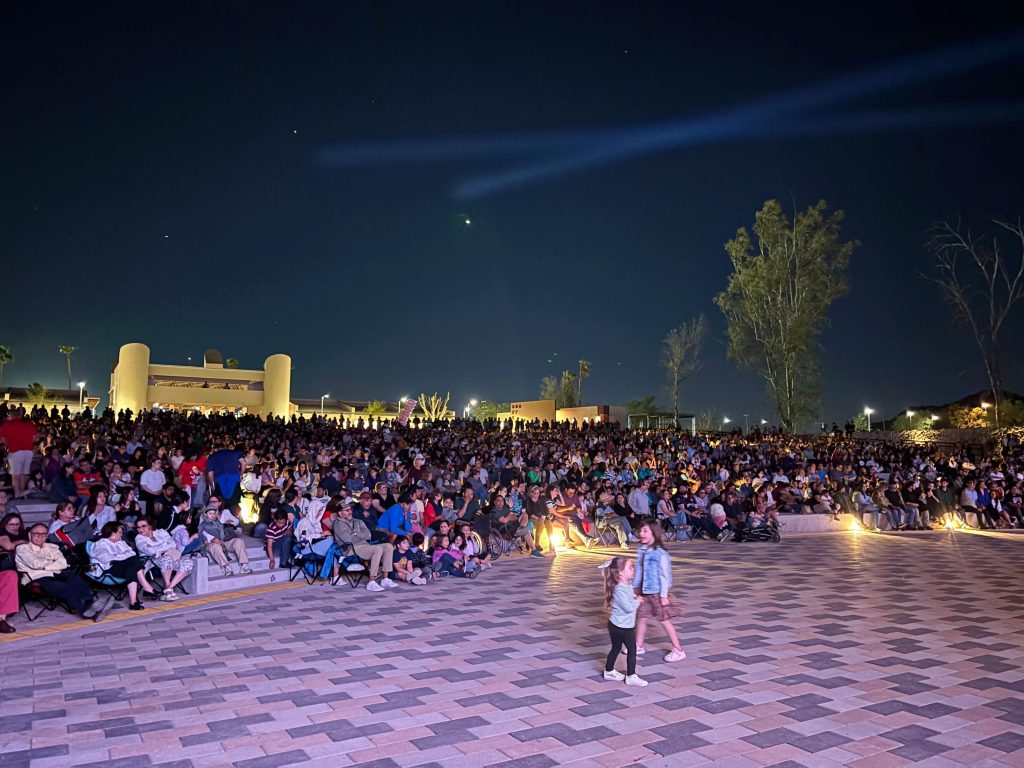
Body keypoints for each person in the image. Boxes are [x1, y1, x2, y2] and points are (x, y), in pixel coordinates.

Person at [15, 523, 99, 618]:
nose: (40, 537)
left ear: (47, 535)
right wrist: (54, 563)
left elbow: (63, 563)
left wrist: (47, 565)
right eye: (36, 533)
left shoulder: (52, 547)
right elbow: (35, 564)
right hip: (36, 577)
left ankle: (90, 603)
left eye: (43, 534)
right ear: (30, 535)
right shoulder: (22, 548)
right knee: (63, 587)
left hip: (55, 574)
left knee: (74, 578)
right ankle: (84, 611)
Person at [633, 521, 686, 662]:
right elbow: (638, 571)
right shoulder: (641, 550)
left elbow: (664, 576)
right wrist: (634, 588)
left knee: (664, 620)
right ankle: (638, 645)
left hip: (657, 592)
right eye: (640, 531)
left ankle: (678, 650)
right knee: (641, 617)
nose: (641, 534)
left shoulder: (660, 553)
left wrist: (663, 596)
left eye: (645, 531)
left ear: (654, 533)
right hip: (643, 591)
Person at [332, 498, 396, 592]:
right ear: (340, 513)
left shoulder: (357, 521)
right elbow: (348, 539)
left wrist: (355, 533)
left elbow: (368, 535)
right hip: (351, 549)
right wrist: (358, 535)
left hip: (364, 547)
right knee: (377, 549)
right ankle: (372, 582)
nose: (350, 512)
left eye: (351, 509)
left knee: (388, 546)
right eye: (347, 510)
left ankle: (385, 579)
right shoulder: (339, 524)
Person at [601, 555, 646, 686]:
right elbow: (628, 608)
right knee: (632, 650)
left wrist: (633, 597)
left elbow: (628, 599)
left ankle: (609, 671)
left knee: (616, 648)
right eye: (630, 567)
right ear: (620, 573)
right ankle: (631, 676)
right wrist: (637, 601)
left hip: (619, 625)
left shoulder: (627, 585)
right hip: (622, 627)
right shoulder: (620, 589)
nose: (633, 569)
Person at [90, 521, 157, 610]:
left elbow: (132, 553)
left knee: (131, 568)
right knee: (133, 560)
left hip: (123, 566)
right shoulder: (100, 544)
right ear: (113, 533)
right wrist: (123, 556)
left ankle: (133, 602)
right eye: (120, 532)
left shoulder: (121, 543)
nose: (121, 534)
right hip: (107, 568)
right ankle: (146, 586)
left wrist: (121, 557)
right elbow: (106, 558)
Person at [133, 517, 193, 601]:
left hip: (170, 557)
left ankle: (168, 588)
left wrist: (158, 549)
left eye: (143, 526)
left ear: (150, 525)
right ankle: (168, 593)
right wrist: (165, 546)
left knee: (188, 562)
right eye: (138, 527)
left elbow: (173, 545)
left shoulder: (161, 532)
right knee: (167, 559)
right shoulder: (139, 538)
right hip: (152, 561)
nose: (140, 529)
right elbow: (150, 551)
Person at [198, 505, 252, 576]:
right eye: (210, 513)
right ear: (205, 514)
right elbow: (201, 534)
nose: (212, 515)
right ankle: (227, 567)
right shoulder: (202, 524)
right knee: (215, 547)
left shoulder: (218, 522)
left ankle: (244, 565)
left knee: (239, 541)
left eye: (213, 513)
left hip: (222, 542)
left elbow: (222, 533)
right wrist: (212, 539)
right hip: (211, 543)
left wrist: (223, 537)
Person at [0, 408, 37, 498]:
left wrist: (9, 444)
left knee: (15, 475)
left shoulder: (7, 424)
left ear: (10, 415)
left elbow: (3, 439)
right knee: (23, 474)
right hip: (28, 452)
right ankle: (22, 492)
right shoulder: (29, 424)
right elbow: (34, 438)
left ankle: (18, 493)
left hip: (16, 451)